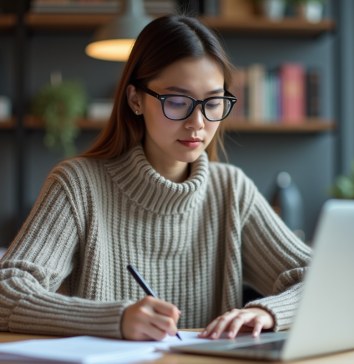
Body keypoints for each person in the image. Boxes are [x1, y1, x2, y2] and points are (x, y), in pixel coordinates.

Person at [0, 14, 311, 341]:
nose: (197, 123)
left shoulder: (232, 191)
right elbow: (6, 291)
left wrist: (267, 312)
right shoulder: (78, 185)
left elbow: (330, 280)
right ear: (136, 99)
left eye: (213, 102)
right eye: (177, 101)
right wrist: (114, 319)